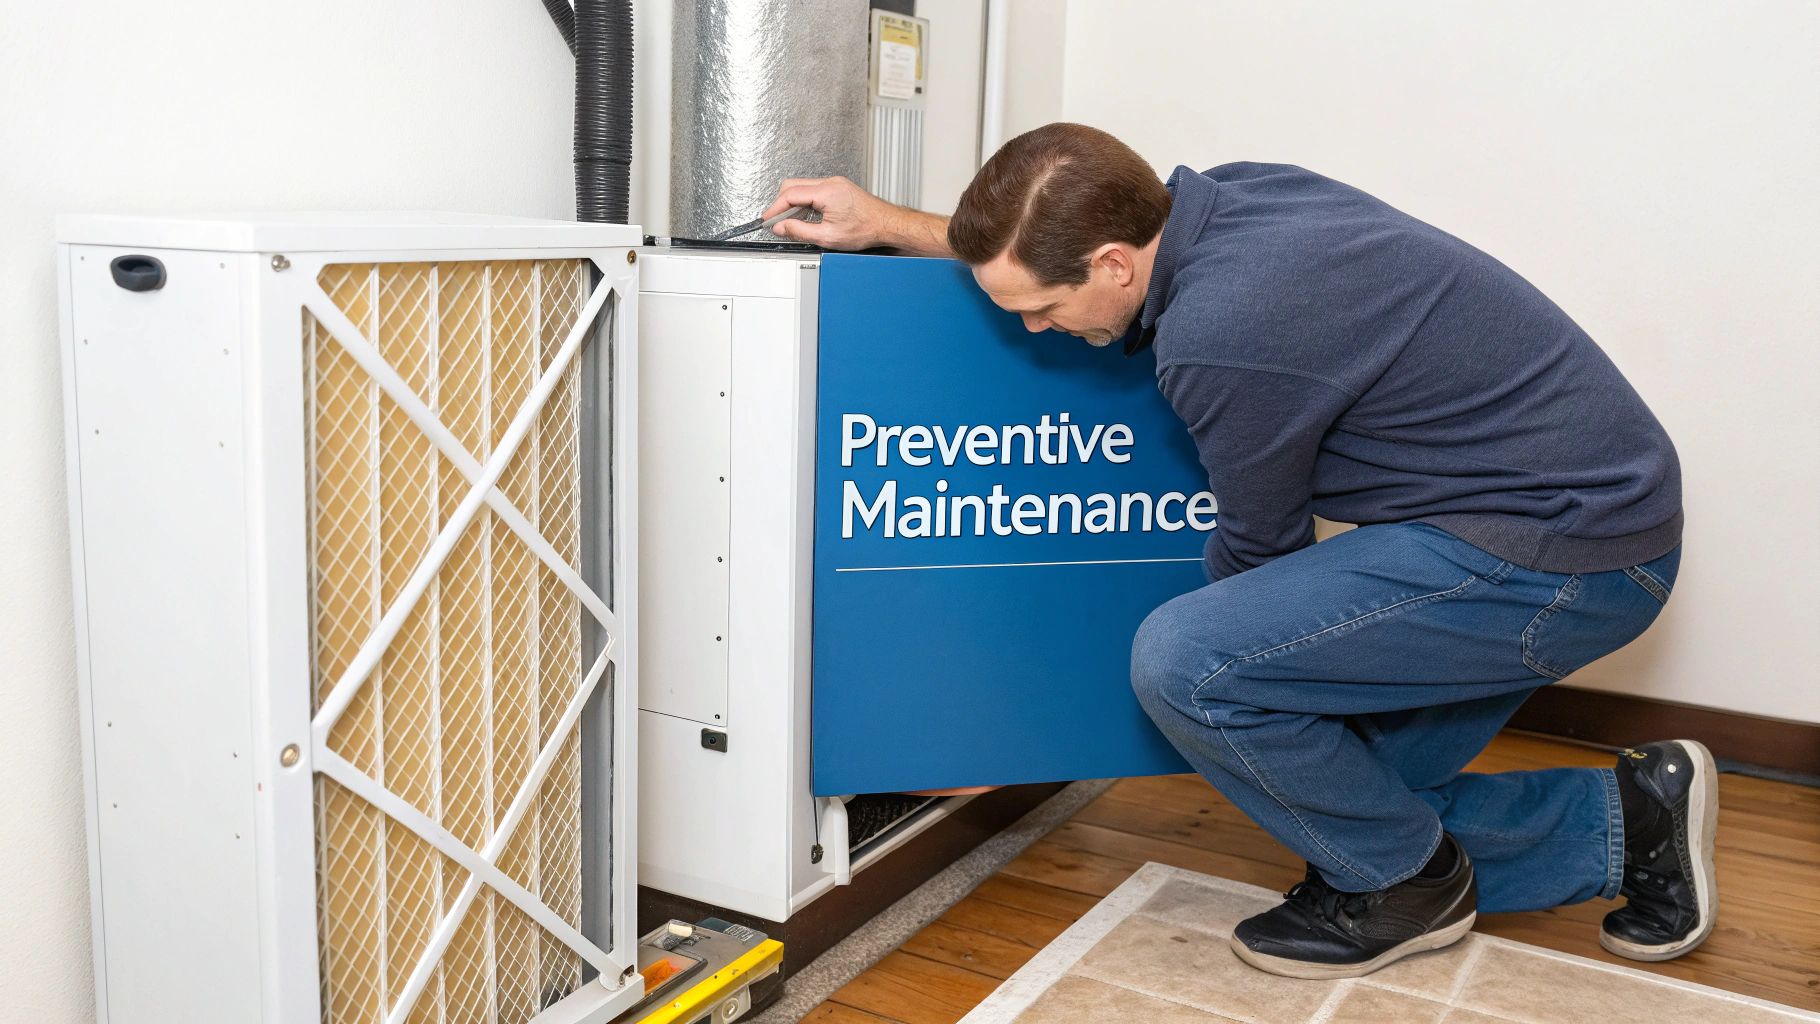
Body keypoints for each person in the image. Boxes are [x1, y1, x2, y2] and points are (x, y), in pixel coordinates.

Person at [761, 122, 1709, 979]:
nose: (1034, 330)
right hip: (1565, 517)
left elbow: (1257, 570)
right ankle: (1634, 822)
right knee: (1350, 802)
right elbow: (1042, 255)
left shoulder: (1222, 337)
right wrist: (885, 222)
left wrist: (1018, 727)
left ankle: (1411, 889)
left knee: (1193, 663)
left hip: (1563, 559)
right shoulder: (1234, 200)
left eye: (1042, 308)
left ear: (1114, 266)